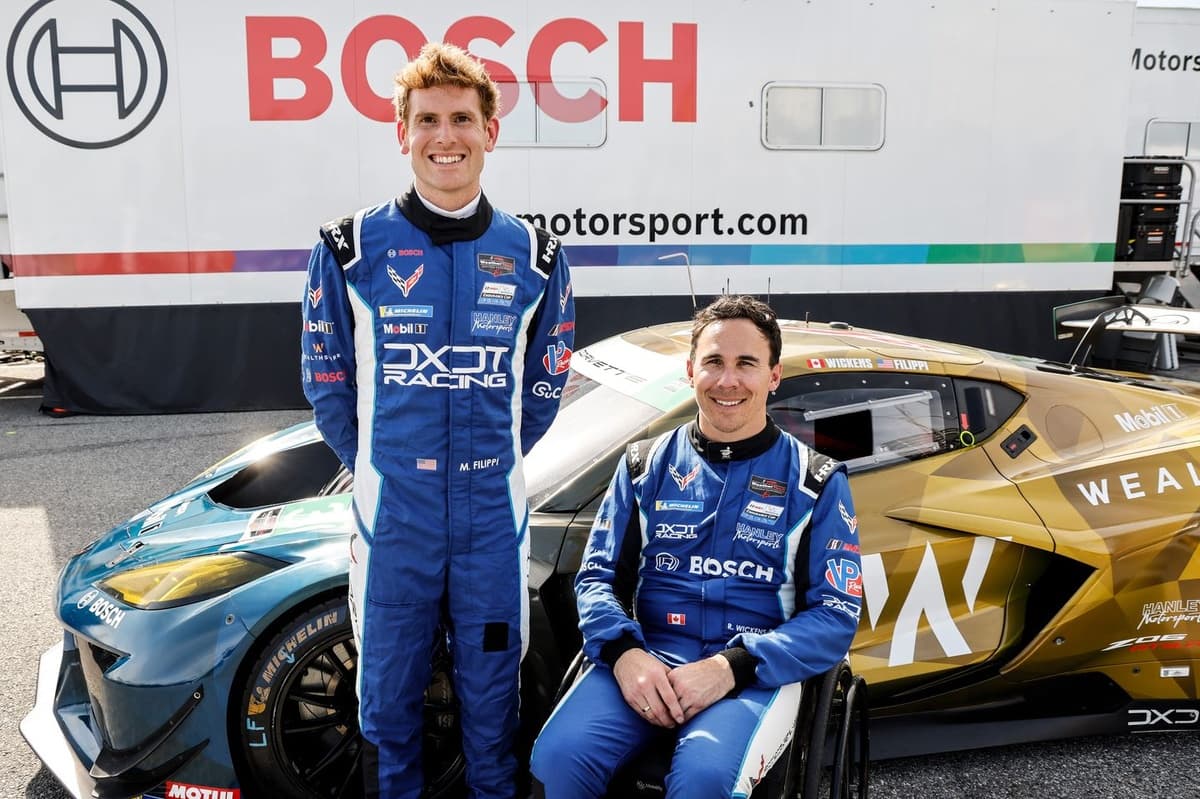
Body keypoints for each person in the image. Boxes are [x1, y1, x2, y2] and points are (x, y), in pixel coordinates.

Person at [300, 42, 574, 799]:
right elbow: (328, 385)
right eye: (427, 120)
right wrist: (389, 470)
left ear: (491, 130)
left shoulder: (538, 256)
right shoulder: (349, 248)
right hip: (395, 521)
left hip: (492, 518)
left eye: (462, 118)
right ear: (401, 133)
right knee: (386, 705)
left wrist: (487, 462)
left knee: (494, 703)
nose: (444, 136)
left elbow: (543, 388)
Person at [530, 295, 861, 798]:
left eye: (746, 364)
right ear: (690, 371)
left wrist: (731, 668)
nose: (728, 380)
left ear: (773, 376)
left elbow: (834, 617)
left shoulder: (816, 482)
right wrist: (624, 654)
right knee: (556, 758)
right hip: (648, 658)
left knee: (705, 780)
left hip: (753, 676)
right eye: (713, 362)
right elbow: (596, 579)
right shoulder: (643, 465)